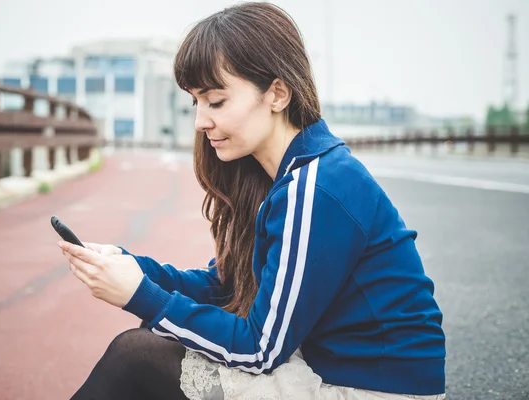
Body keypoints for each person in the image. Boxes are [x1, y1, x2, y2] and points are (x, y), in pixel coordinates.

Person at [57, 2, 446, 399]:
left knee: (136, 354)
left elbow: (260, 349)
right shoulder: (282, 176)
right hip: (331, 368)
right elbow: (227, 287)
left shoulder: (316, 187)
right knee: (156, 333)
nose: (200, 121)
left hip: (375, 390)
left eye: (216, 101)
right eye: (196, 101)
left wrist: (141, 295)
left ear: (277, 93)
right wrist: (132, 270)